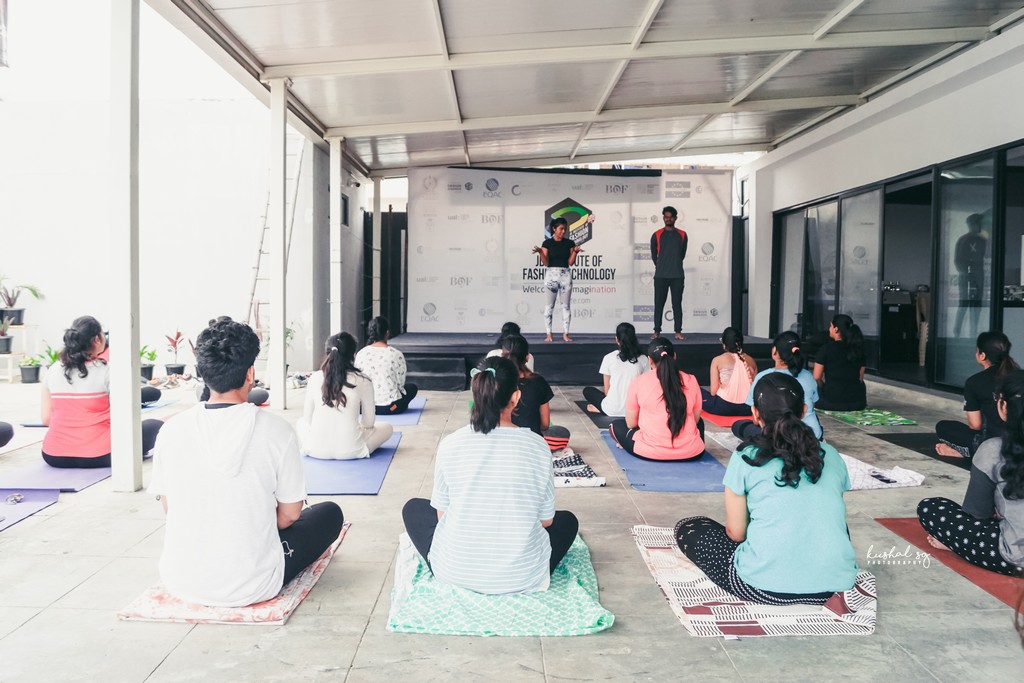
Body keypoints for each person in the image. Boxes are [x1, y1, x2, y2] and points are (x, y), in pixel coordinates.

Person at [148, 318, 344, 607]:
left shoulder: (171, 429)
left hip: (180, 579)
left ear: (202, 373)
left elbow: (170, 507)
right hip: (253, 584)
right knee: (329, 514)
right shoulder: (278, 431)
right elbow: (289, 516)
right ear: (250, 372)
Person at [674, 372, 859, 605]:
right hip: (835, 586)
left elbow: (736, 533)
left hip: (763, 586)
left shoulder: (746, 457)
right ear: (803, 410)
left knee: (688, 528)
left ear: (755, 414)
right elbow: (833, 516)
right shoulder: (830, 454)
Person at [401, 356, 579, 594]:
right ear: (516, 397)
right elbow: (546, 521)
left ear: (476, 394)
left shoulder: (450, 444)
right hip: (521, 577)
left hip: (455, 572)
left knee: (413, 508)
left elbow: (442, 515)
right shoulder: (537, 446)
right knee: (567, 520)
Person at [918, 369, 1024, 577]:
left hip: (1015, 557)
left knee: (931, 507)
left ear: (1003, 407)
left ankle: (957, 545)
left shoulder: (993, 449)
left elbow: (977, 514)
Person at [40, 315, 164, 468]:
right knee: (154, 425)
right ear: (97, 340)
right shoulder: (106, 370)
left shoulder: (52, 370)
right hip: (102, 454)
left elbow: (46, 419)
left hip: (53, 456)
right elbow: (123, 418)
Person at [297, 332, 394, 460]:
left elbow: (308, 418)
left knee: (300, 422)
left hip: (315, 450)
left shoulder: (315, 378)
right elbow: (369, 422)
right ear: (354, 355)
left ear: (327, 354)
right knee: (387, 427)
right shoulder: (363, 380)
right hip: (352, 450)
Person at [610, 337, 704, 461]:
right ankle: (689, 446)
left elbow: (631, 423)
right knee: (699, 422)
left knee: (615, 425)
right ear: (674, 356)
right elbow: (696, 419)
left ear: (650, 360)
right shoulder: (691, 379)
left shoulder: (639, 381)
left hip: (651, 452)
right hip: (692, 453)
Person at [935, 331, 1019, 459]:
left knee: (942, 427)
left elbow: (975, 425)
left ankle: (966, 454)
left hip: (991, 447)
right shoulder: (1020, 376)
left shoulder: (975, 382)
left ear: (982, 355)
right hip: (1020, 442)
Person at [732, 332, 823, 441]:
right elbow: (811, 406)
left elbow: (756, 420)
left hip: (778, 438)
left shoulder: (763, 377)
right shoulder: (808, 376)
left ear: (774, 351)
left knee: (738, 425)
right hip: (811, 435)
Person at [503, 334, 571, 451]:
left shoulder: (494, 381)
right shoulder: (538, 381)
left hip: (502, 441)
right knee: (562, 432)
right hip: (531, 444)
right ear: (527, 357)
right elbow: (545, 424)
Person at [196, 316, 269, 405]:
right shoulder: (270, 419)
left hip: (209, 397)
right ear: (250, 374)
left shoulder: (180, 419)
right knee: (263, 394)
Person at [531, 216, 582, 342]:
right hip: (551, 276)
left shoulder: (569, 243)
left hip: (565, 275)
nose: (563, 231)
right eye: (561, 229)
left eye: (565, 229)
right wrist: (540, 253)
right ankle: (549, 334)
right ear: (554, 229)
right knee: (549, 306)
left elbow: (571, 262)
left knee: (566, 306)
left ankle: (565, 333)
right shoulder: (547, 243)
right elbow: (546, 263)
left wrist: (575, 252)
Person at [582, 322, 650, 417]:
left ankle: (601, 409)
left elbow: (607, 391)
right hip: (634, 411)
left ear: (617, 340)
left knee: (588, 391)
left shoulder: (609, 358)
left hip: (611, 409)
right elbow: (645, 388)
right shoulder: (643, 359)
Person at [356, 316, 418, 415]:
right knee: (412, 388)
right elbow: (400, 384)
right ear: (387, 332)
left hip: (363, 408)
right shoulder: (396, 354)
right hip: (389, 408)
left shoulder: (361, 353)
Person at [812, 314, 867, 412]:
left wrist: (823, 390)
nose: (829, 329)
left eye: (830, 326)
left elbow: (817, 377)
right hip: (857, 403)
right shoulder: (858, 349)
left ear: (836, 329)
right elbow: (860, 378)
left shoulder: (826, 349)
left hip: (831, 403)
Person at [650, 205, 688, 341]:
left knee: (677, 304)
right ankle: (656, 331)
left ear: (675, 218)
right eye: (666, 217)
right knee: (658, 304)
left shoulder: (683, 235)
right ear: (663, 218)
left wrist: (673, 264)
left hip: (677, 275)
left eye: (671, 217)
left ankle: (678, 331)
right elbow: (654, 256)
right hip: (660, 276)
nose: (668, 219)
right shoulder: (657, 235)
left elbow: (682, 254)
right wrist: (661, 266)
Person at [701, 327, 757, 416]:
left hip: (723, 407)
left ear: (724, 345)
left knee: (697, 390)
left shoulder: (717, 360)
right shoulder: (751, 361)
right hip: (747, 409)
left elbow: (713, 392)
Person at [953, 213, 987, 338]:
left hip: (979, 277)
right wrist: (966, 274)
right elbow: (958, 261)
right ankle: (957, 331)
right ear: (972, 225)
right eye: (979, 224)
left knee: (977, 304)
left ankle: (974, 332)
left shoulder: (983, 241)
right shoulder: (964, 240)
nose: (981, 226)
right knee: (964, 303)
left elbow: (985, 258)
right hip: (966, 277)